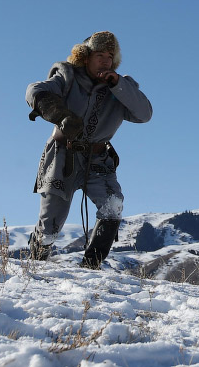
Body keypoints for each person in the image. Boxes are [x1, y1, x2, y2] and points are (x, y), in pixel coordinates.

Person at [26, 31, 152, 268]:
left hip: (99, 158)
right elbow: (34, 91)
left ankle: (91, 268)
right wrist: (61, 115)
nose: (105, 60)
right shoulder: (67, 76)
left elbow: (144, 114)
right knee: (50, 227)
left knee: (113, 205)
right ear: (85, 57)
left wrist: (118, 85)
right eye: (99, 55)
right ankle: (34, 265)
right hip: (63, 155)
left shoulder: (123, 87)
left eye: (110, 56)